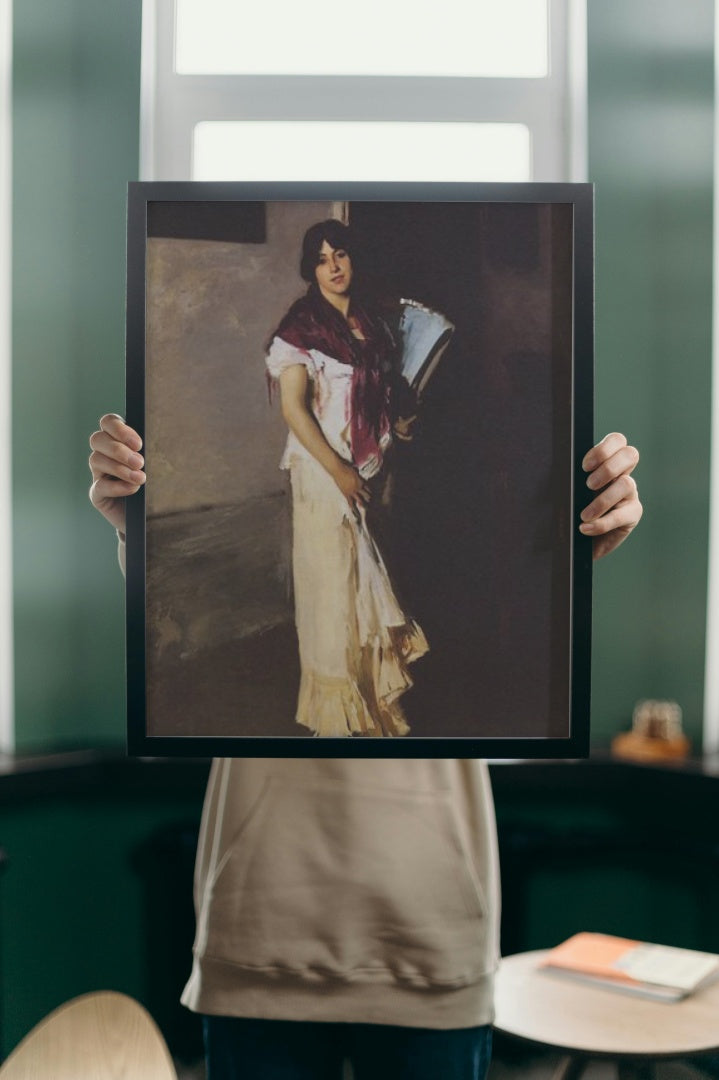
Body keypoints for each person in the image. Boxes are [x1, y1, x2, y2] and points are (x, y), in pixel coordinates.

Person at [90, 407, 641, 1079]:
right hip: (262, 926)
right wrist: (140, 529)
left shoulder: (454, 551)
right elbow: (196, 638)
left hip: (431, 930)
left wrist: (561, 568)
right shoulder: (263, 554)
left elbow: (504, 659)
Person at [264, 219, 428, 738]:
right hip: (322, 478)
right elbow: (294, 409)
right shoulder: (299, 330)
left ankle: (372, 712)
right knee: (332, 599)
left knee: (364, 597)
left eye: (341, 255)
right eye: (321, 258)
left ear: (354, 260)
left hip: (368, 476)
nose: (333, 267)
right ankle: (335, 726)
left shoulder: (373, 326)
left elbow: (383, 405)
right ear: (310, 269)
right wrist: (338, 472)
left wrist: (402, 421)